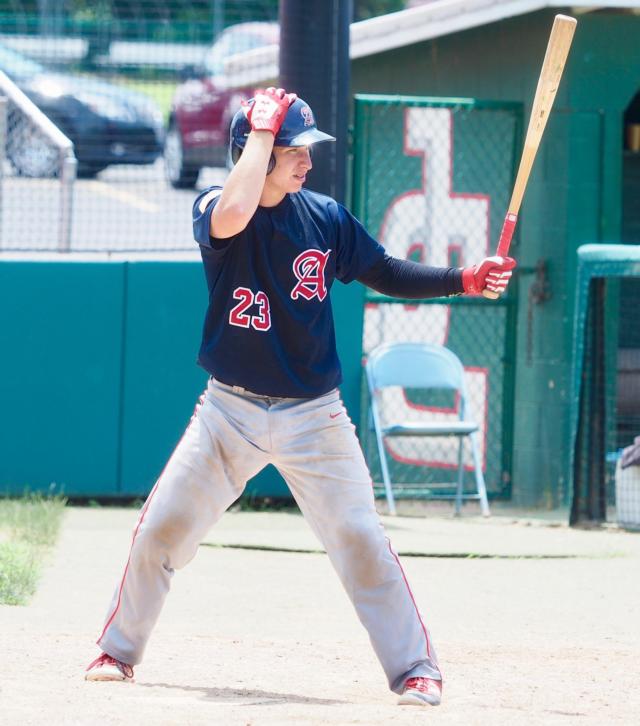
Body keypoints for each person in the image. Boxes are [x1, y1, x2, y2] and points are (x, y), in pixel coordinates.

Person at [84, 87, 515, 707]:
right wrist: (259, 138)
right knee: (161, 528)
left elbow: (387, 271)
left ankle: (416, 668)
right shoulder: (216, 203)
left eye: (307, 151)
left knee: (360, 537)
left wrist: (464, 280)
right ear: (256, 152)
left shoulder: (325, 217)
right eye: (295, 151)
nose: (308, 162)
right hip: (228, 411)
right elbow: (232, 214)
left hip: (314, 415)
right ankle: (117, 650)